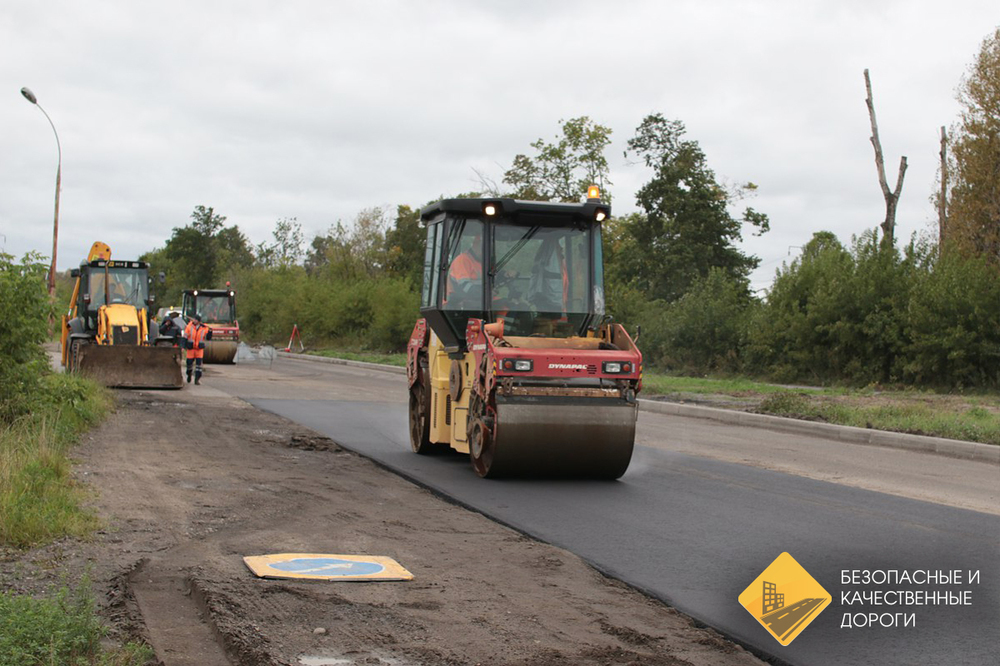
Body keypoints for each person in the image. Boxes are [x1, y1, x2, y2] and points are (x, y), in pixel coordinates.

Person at [446, 232, 483, 305]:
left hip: (476, 301)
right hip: (455, 304)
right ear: (475, 245)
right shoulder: (462, 260)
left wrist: (505, 274)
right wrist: (485, 293)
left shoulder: (482, 262)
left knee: (506, 306)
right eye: (483, 248)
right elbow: (465, 286)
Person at [183, 312, 213, 385]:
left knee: (199, 366)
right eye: (194, 319)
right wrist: (183, 346)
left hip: (199, 349)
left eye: (196, 320)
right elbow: (184, 338)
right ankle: (189, 374)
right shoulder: (189, 327)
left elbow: (208, 338)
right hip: (191, 348)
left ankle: (197, 379)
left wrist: (210, 332)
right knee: (189, 364)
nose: (194, 321)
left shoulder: (204, 328)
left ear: (199, 321)